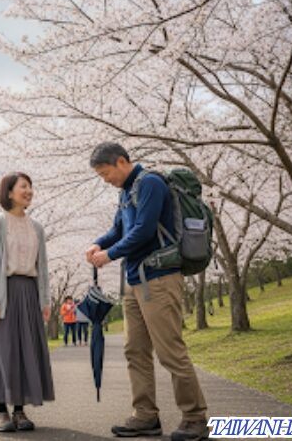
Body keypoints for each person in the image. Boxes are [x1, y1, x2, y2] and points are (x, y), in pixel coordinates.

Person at [86, 142, 209, 441]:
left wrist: (109, 254)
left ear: (121, 161)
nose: (105, 180)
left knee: (170, 351)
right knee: (135, 351)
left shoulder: (150, 183)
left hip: (159, 278)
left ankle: (195, 418)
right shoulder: (126, 191)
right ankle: (145, 416)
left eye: (105, 173)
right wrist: (98, 243)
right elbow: (119, 230)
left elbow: (143, 230)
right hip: (134, 281)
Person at [0, 171, 55, 433]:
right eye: (23, 186)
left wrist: (45, 300)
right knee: (4, 351)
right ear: (9, 192)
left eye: (30, 187)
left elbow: (42, 267)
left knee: (26, 351)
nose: (29, 191)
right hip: (4, 293)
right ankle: (1, 411)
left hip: (29, 292)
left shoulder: (37, 227)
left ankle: (20, 410)